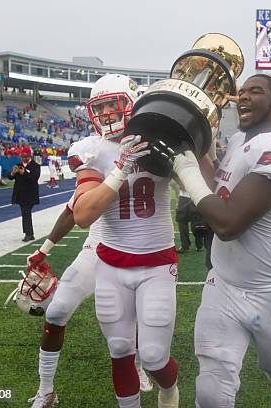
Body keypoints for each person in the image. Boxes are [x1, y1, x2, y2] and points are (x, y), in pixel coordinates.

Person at [172, 74, 271, 408]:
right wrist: (191, 152)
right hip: (223, 283)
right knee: (211, 388)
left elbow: (228, 223)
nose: (244, 98)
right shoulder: (238, 140)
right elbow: (215, 187)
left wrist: (186, 169)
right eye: (242, 92)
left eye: (256, 92)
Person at [69, 74, 179, 408]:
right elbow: (83, 215)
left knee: (155, 355)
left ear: (131, 102)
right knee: (119, 349)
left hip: (157, 263)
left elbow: (196, 182)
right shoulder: (91, 151)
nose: (104, 113)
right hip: (110, 264)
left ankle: (170, 389)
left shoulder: (159, 140)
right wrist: (119, 169)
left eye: (110, 104)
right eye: (98, 107)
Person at [26, 195, 153, 407]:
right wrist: (43, 249)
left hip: (134, 249)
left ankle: (137, 367)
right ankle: (46, 389)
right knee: (56, 311)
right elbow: (71, 210)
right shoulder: (98, 164)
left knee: (134, 316)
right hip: (96, 247)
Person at [8, 145, 41, 241]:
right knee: (25, 213)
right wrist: (13, 173)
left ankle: (29, 233)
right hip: (20, 194)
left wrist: (24, 173)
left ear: (30, 156)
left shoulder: (35, 165)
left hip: (30, 194)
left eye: (26, 157)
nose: (24, 159)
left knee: (26, 213)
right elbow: (10, 177)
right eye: (23, 157)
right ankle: (28, 233)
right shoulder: (19, 165)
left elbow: (34, 178)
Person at [175, 185, 204, 253]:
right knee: (183, 221)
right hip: (186, 196)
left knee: (196, 222)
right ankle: (187, 245)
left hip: (195, 196)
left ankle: (198, 245)